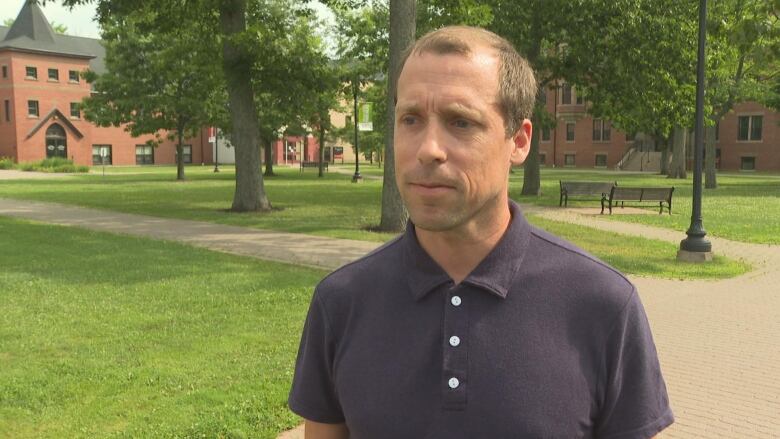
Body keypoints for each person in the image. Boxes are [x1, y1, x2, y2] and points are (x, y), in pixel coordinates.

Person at [288, 25, 673, 439]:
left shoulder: (602, 304)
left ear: (519, 141)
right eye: (411, 119)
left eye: (460, 122)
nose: (428, 148)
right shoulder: (341, 302)